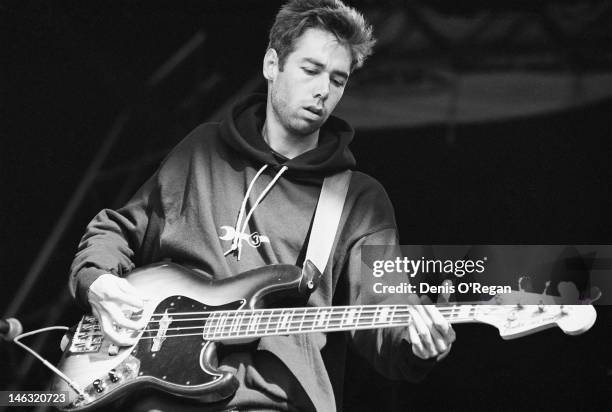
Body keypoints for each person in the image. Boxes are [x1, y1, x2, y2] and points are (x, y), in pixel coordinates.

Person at [69, 1, 455, 411]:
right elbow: (118, 229)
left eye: (338, 80)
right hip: (160, 394)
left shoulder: (358, 198)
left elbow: (384, 307)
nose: (324, 90)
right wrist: (97, 281)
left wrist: (414, 340)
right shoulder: (202, 151)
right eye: (311, 70)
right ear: (272, 64)